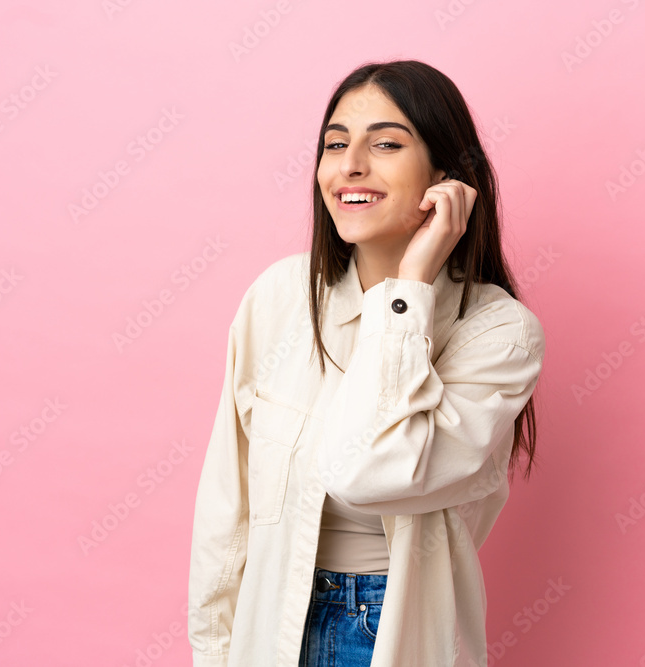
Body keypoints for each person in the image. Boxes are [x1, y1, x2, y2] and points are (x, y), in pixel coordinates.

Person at [188, 59, 546, 667]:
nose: (350, 164)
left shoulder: (499, 333)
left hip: (392, 631)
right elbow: (227, 508)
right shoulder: (278, 298)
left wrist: (409, 290)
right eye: (335, 144)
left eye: (385, 143)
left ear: (447, 177)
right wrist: (214, 651)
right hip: (272, 626)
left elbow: (365, 472)